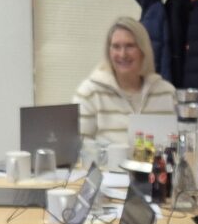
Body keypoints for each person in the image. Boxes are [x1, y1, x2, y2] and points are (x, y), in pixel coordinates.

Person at [76, 15, 178, 152]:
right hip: (108, 172)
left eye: (130, 46)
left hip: (157, 173)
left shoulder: (166, 93)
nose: (122, 54)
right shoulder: (90, 93)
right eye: (116, 47)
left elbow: (177, 146)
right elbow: (78, 149)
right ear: (108, 52)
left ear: (143, 50)